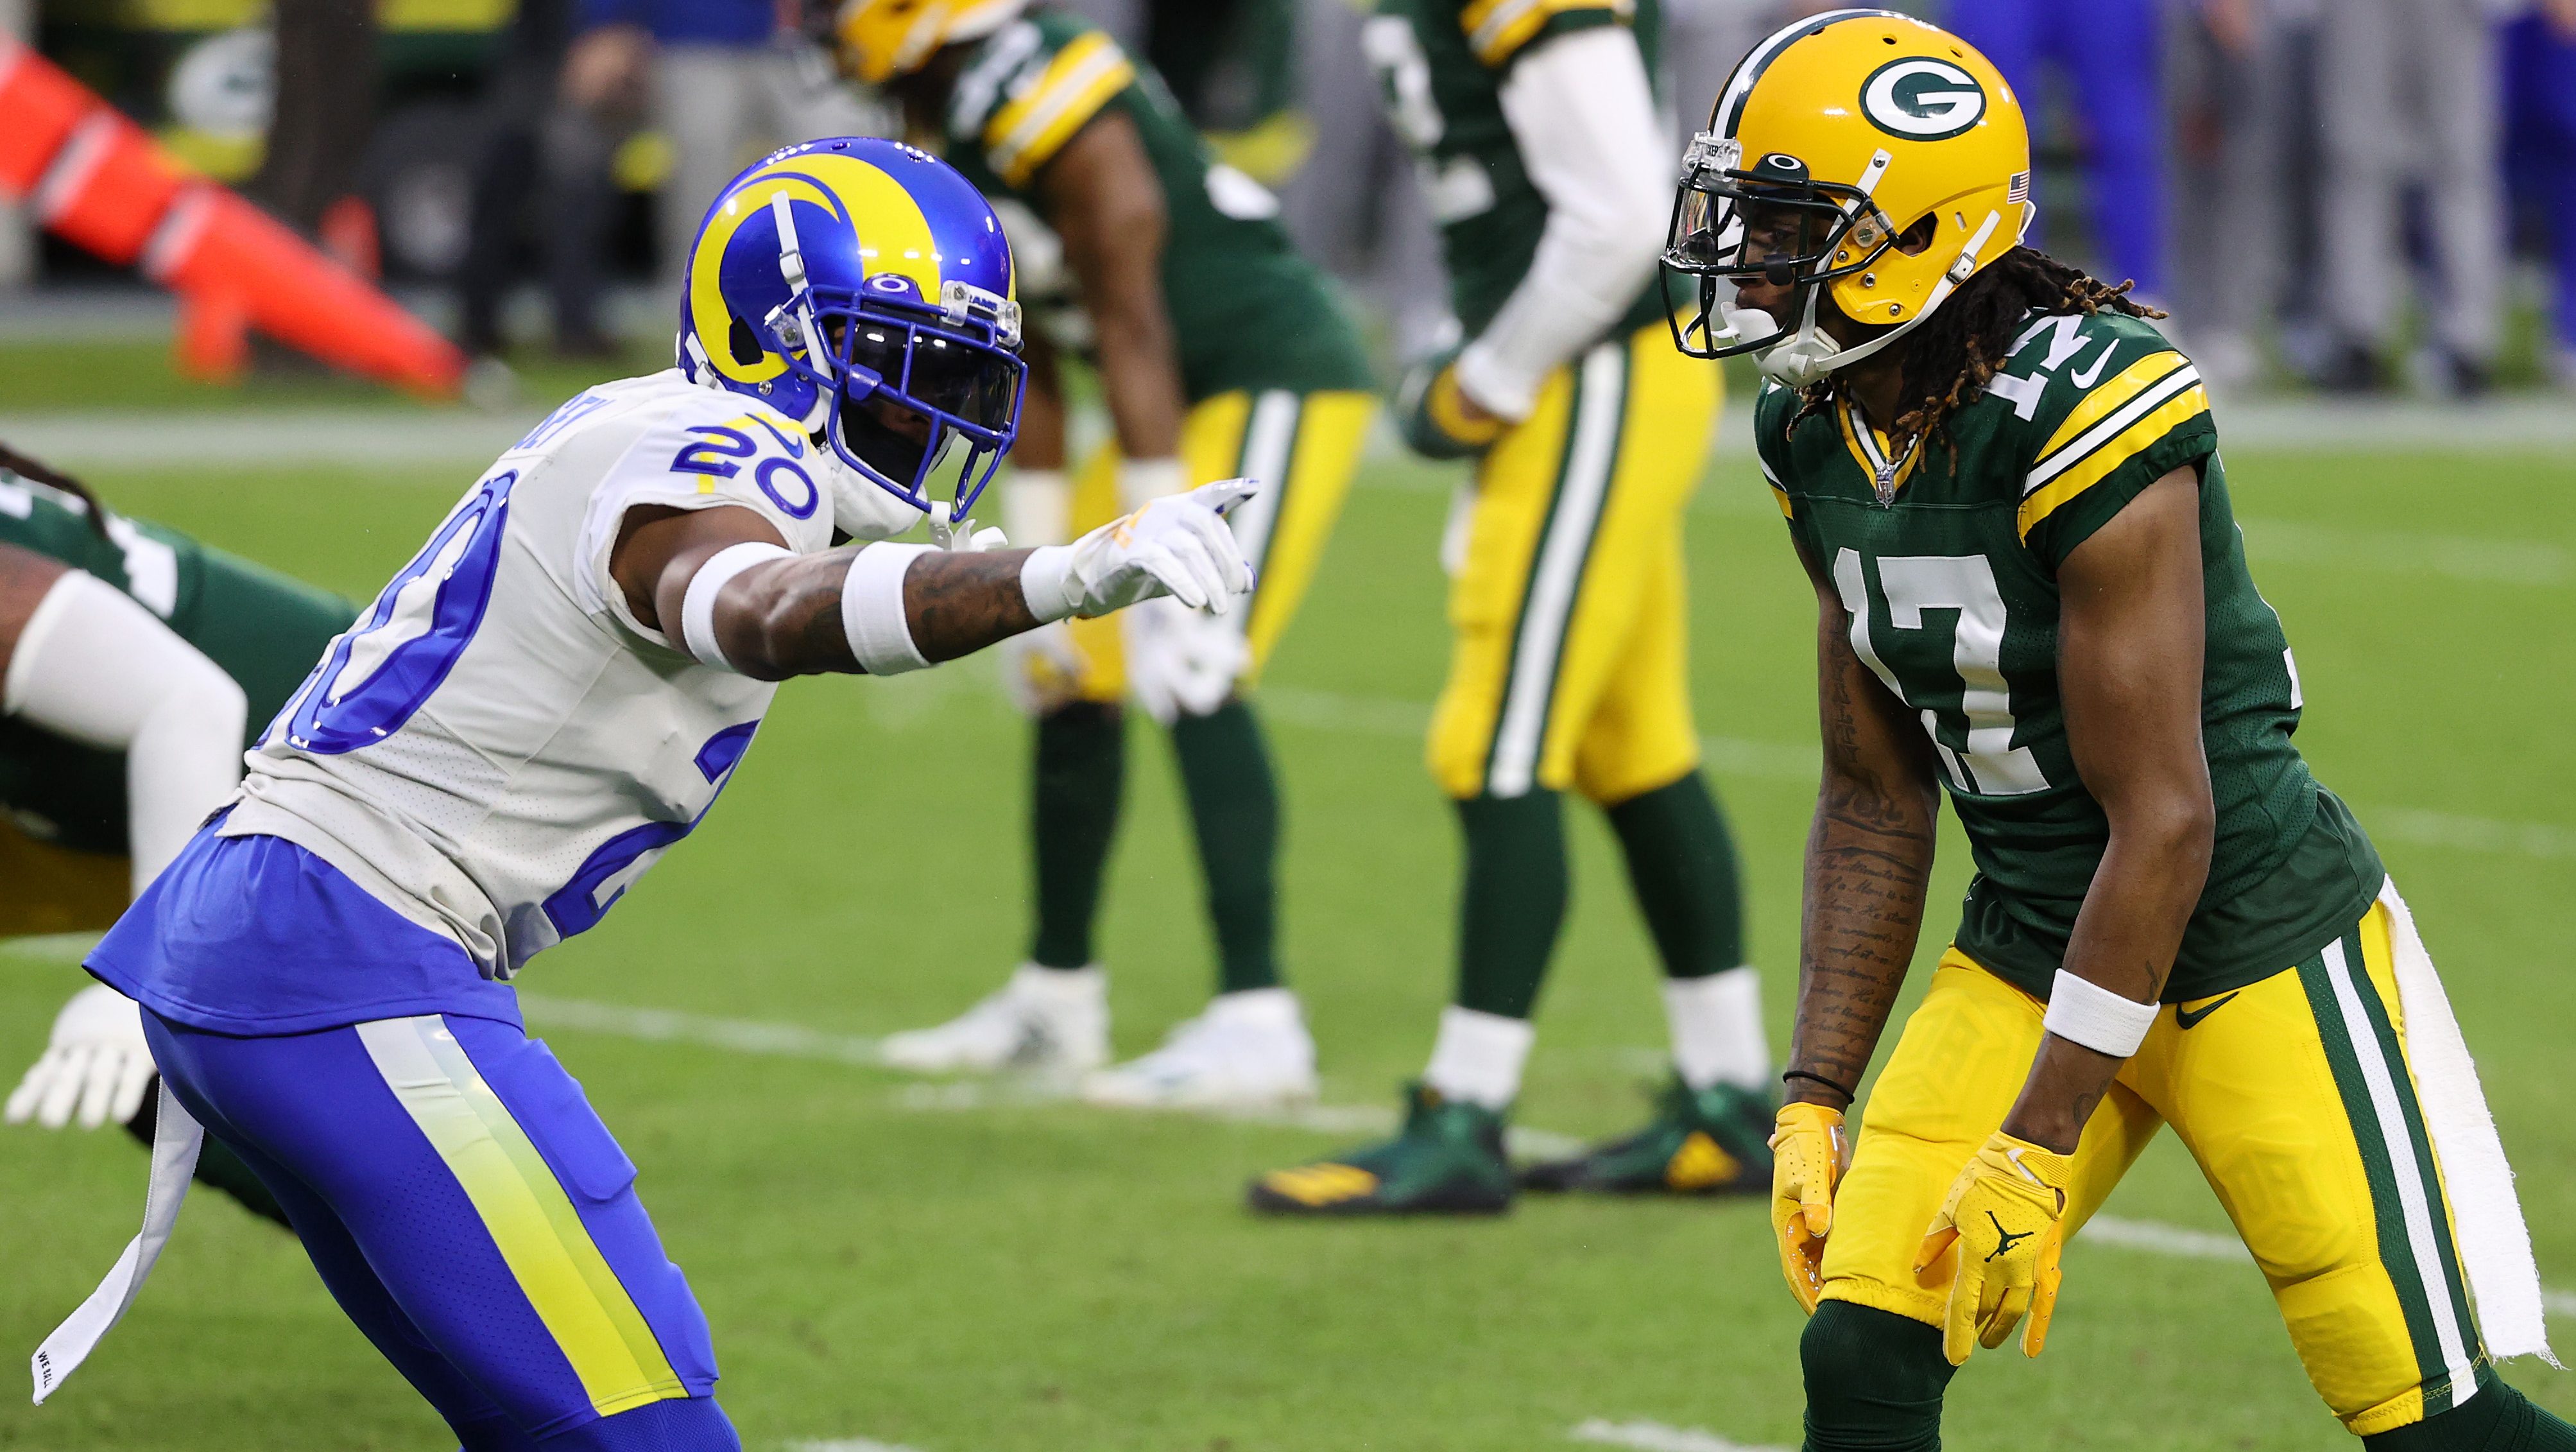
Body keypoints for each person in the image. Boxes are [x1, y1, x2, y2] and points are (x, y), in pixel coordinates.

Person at [31, 138, 1256, 1446]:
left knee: (550, 1427)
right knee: (647, 1420)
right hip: (345, 950)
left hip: (279, 941)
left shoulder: (656, 431)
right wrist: (1052, 579)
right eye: (898, 366)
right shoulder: (718, 448)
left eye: (954, 374)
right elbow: (760, 610)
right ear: (778, 338)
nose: (933, 410)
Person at [1662, 13, 2568, 1447]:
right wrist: (1812, 1093)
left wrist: (2036, 1139)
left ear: (1919, 238)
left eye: (1791, 229)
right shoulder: (1815, 427)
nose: (1751, 264)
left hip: (2242, 936)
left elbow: (2168, 819)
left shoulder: (2090, 399)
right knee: (1865, 1348)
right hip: (2031, 929)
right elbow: (1874, 790)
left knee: (2425, 1420)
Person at [1249, 0, 1775, 1216]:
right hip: (1582, 365)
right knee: (1629, 744)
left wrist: (1487, 376)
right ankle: (1729, 1093)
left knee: (1492, 739)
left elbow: (1623, 214)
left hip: (1586, 369)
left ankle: (1464, 1111)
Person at [834, 0, 1380, 1109]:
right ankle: (1056, 997)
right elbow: (1012, 343)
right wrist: (1025, 558)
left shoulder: (1037, 82)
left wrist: (1151, 518)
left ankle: (1256, 1017)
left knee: (1192, 656)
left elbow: (1130, 315)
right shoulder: (958, 116)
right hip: (1165, 399)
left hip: (1253, 373)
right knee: (1064, 664)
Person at [0, 444, 356, 1229]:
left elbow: (187, 704)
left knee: (185, 1076)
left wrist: (147, 984)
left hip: (336, 769)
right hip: (128, 793)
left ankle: (534, 1297)